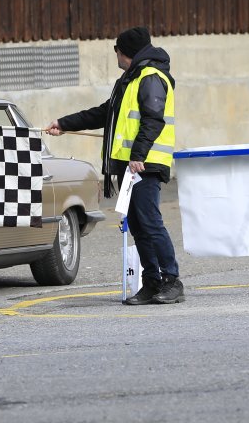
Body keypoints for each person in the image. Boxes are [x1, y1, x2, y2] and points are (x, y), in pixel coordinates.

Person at [45, 27, 183, 305]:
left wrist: (139, 154)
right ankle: (152, 282)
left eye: (117, 51)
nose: (116, 56)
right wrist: (64, 123)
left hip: (145, 164)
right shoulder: (131, 80)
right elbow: (104, 113)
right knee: (139, 225)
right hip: (131, 166)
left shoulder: (150, 77)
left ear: (126, 52)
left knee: (150, 222)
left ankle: (172, 281)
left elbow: (153, 120)